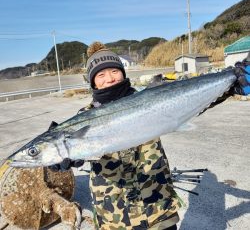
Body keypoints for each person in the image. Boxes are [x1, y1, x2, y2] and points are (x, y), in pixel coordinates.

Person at [51, 42, 250, 230]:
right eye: (101, 74)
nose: (109, 78)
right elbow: (66, 151)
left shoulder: (148, 98)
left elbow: (187, 99)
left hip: (158, 209)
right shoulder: (82, 119)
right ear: (92, 80)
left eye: (114, 71)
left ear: (122, 72)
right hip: (114, 217)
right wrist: (62, 162)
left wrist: (230, 84)